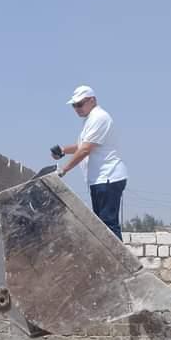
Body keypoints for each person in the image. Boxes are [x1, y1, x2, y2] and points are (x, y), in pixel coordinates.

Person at [50, 85, 127, 239]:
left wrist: (63, 170)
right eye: (74, 105)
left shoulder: (99, 117)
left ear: (92, 100)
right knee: (102, 226)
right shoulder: (90, 120)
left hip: (108, 177)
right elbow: (82, 146)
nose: (77, 109)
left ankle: (120, 256)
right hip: (99, 179)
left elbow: (85, 149)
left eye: (80, 104)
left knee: (108, 225)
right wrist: (63, 150)